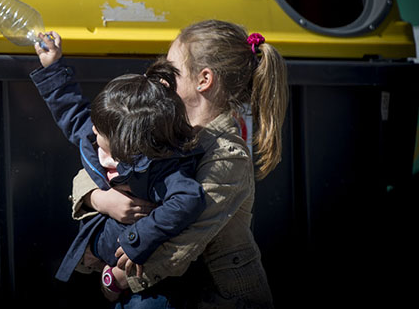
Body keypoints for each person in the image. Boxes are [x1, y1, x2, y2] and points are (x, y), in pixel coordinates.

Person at [71, 19, 289, 308]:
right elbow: (101, 160)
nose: (161, 79)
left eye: (173, 71)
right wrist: (99, 199)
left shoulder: (227, 156)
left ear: (204, 80)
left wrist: (119, 277)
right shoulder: (164, 124)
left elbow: (185, 241)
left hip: (214, 297)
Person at [30, 31, 206, 301]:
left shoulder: (161, 167)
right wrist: (53, 67)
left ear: (128, 145)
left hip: (147, 282)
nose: (91, 130)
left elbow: (188, 199)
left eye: (100, 131)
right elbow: (73, 114)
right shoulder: (100, 139)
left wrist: (139, 239)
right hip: (107, 262)